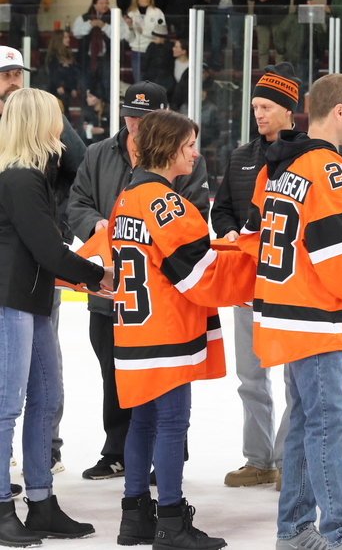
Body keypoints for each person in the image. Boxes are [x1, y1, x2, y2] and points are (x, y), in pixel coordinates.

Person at [241, 73, 342, 550]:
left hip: (282, 312)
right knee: (328, 421)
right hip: (313, 317)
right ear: (338, 112)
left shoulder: (280, 165)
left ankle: (294, 529)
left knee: (306, 422)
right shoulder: (330, 170)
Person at [111, 109, 252, 550]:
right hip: (166, 330)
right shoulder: (165, 201)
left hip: (134, 330)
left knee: (143, 421)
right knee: (172, 423)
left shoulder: (124, 198)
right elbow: (196, 271)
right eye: (190, 145)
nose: (195, 153)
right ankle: (171, 520)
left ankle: (135, 517)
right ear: (171, 149)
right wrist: (248, 263)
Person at [67, 81, 209, 482]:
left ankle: (166, 456)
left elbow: (194, 215)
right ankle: (117, 451)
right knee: (114, 374)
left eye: (143, 117)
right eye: (130, 114)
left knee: (165, 382)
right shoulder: (97, 154)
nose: (134, 123)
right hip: (110, 291)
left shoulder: (187, 158)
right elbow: (76, 203)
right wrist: (100, 226)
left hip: (161, 294)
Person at [0, 87, 110, 547]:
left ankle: (42, 502)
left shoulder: (34, 175)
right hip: (11, 300)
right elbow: (47, 246)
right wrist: (96, 273)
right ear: (37, 122)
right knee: (7, 406)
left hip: (33, 297)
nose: (62, 128)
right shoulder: (19, 177)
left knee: (47, 397)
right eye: (56, 118)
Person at [210, 67, 299, 490]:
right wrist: (228, 230)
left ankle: (286, 460)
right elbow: (222, 207)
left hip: (289, 284)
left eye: (265, 108)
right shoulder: (242, 156)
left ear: (288, 110)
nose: (258, 115)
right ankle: (258, 459)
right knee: (250, 375)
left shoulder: (306, 156)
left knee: (292, 375)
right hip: (247, 285)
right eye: (254, 108)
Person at [72, 0, 118, 100]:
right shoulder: (84, 17)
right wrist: (90, 24)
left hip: (107, 57)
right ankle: (86, 111)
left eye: (106, 3)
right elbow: (76, 33)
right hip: (87, 58)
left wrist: (104, 26)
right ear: (94, 5)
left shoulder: (114, 17)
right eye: (101, 3)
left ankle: (107, 110)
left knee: (108, 84)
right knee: (86, 84)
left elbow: (119, 34)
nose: (105, 5)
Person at [125, 0, 167, 83]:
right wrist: (130, 27)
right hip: (137, 52)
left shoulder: (157, 12)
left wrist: (143, 31)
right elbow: (129, 39)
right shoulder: (131, 14)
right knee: (140, 82)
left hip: (154, 51)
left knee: (154, 82)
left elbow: (162, 32)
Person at [41, 29, 80, 113]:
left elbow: (73, 72)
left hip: (67, 88)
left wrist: (74, 87)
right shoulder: (53, 55)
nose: (68, 39)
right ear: (59, 39)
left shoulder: (69, 54)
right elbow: (52, 71)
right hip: (55, 89)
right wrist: (58, 85)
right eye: (65, 37)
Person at [144, 26, 175, 92]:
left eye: (155, 38)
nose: (153, 40)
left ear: (163, 38)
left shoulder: (170, 47)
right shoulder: (152, 46)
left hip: (165, 76)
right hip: (152, 75)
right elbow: (147, 59)